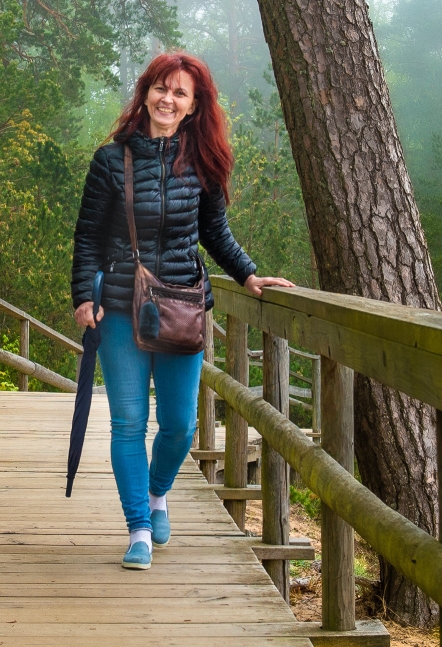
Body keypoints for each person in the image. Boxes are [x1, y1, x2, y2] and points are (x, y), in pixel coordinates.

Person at [71, 53, 294, 570]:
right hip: (121, 307)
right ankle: (139, 529)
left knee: (179, 427)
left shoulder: (203, 164)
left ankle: (156, 492)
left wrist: (249, 274)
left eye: (179, 94)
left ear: (194, 107)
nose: (167, 100)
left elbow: (215, 234)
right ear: (145, 93)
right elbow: (86, 236)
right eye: (159, 89)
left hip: (181, 308)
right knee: (129, 422)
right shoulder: (110, 160)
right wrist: (85, 296)